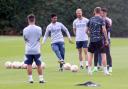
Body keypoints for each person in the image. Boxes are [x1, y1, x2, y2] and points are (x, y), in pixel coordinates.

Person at [87, 7, 110, 75]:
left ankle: (89, 71)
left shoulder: (90, 19)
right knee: (103, 55)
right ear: (100, 12)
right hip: (100, 40)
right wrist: (106, 39)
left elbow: (86, 31)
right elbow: (104, 30)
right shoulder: (101, 19)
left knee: (90, 55)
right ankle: (105, 71)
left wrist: (90, 35)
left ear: (94, 11)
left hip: (92, 40)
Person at [23, 14, 45, 83]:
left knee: (29, 64)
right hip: (36, 50)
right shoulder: (39, 28)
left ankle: (30, 79)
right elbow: (39, 37)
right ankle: (41, 79)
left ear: (28, 20)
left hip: (28, 50)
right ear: (34, 19)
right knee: (39, 64)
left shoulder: (25, 29)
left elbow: (25, 39)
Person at [101, 8, 112, 72]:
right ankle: (104, 67)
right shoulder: (100, 19)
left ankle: (110, 67)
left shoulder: (108, 20)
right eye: (101, 13)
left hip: (107, 38)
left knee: (108, 53)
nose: (102, 14)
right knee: (102, 53)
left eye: (103, 13)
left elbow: (108, 28)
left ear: (105, 13)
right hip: (101, 39)